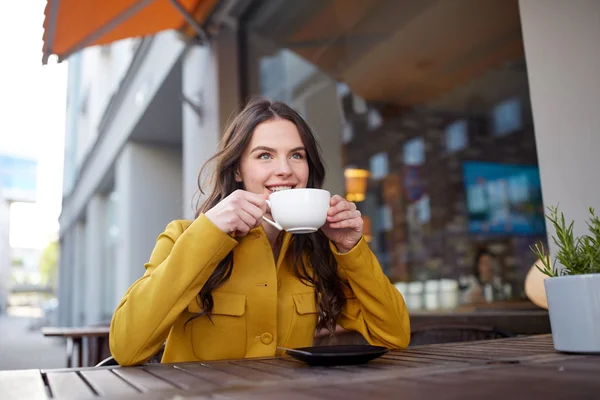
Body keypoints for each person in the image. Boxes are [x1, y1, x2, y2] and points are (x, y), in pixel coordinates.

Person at [109, 97, 410, 366]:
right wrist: (210, 232)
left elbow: (395, 336)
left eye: (297, 155)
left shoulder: (317, 252)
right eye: (265, 155)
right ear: (238, 170)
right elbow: (126, 347)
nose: (285, 170)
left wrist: (350, 249)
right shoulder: (183, 236)